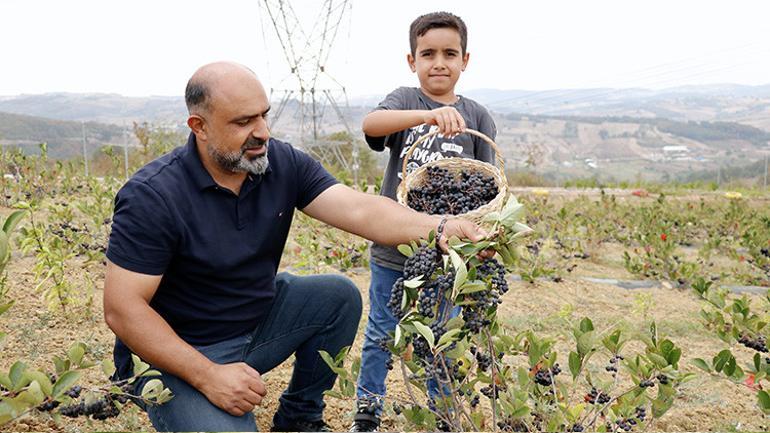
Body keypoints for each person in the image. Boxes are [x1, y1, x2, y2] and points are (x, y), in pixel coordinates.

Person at [102, 61, 489, 432]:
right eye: (243, 122)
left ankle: (300, 415)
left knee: (336, 297)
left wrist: (441, 227)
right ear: (199, 127)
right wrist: (209, 376)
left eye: (263, 115)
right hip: (180, 354)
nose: (262, 131)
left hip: (254, 325)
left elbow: (360, 209)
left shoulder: (279, 163)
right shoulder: (153, 196)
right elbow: (123, 309)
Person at [351, 11, 497, 432]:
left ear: (465, 60)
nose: (439, 62)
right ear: (411, 60)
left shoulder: (478, 117)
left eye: (449, 53)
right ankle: (367, 411)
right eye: (427, 53)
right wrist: (427, 117)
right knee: (382, 329)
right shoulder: (404, 102)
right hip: (394, 247)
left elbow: (486, 190)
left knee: (441, 334)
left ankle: (442, 414)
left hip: (447, 255)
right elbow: (372, 125)